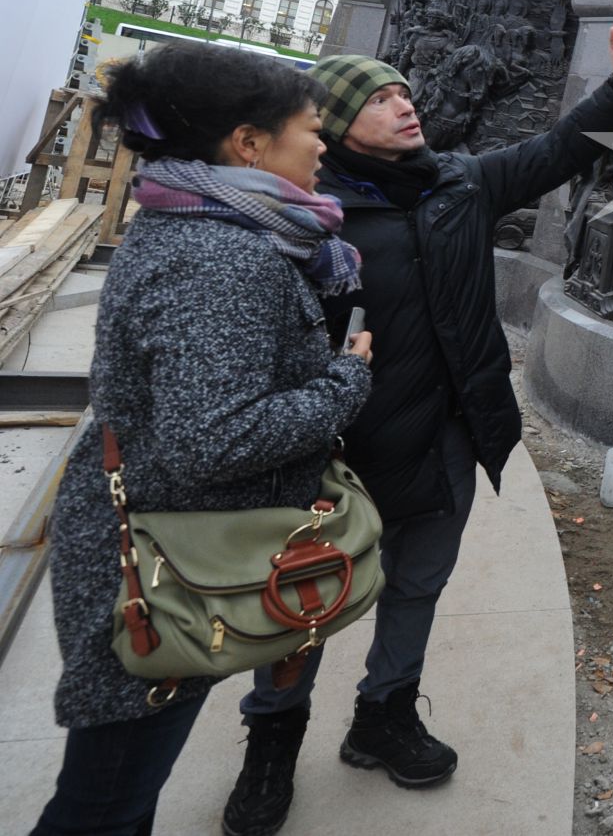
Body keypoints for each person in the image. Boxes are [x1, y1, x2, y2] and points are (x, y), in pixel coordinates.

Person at [219, 13, 613, 833]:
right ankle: (272, 744)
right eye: (379, 99)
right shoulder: (304, 213)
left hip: (447, 438)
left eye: (403, 92)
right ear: (333, 123)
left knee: (419, 585)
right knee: (303, 604)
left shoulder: (461, 183)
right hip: (336, 451)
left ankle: (383, 715)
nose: (404, 105)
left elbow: (558, 150)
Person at [34, 44, 373, 836]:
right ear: (248, 145)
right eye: (309, 129)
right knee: (105, 804)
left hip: (171, 545)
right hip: (161, 572)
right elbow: (212, 439)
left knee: (118, 791)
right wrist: (343, 383)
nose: (324, 145)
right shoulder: (220, 258)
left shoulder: (201, 223)